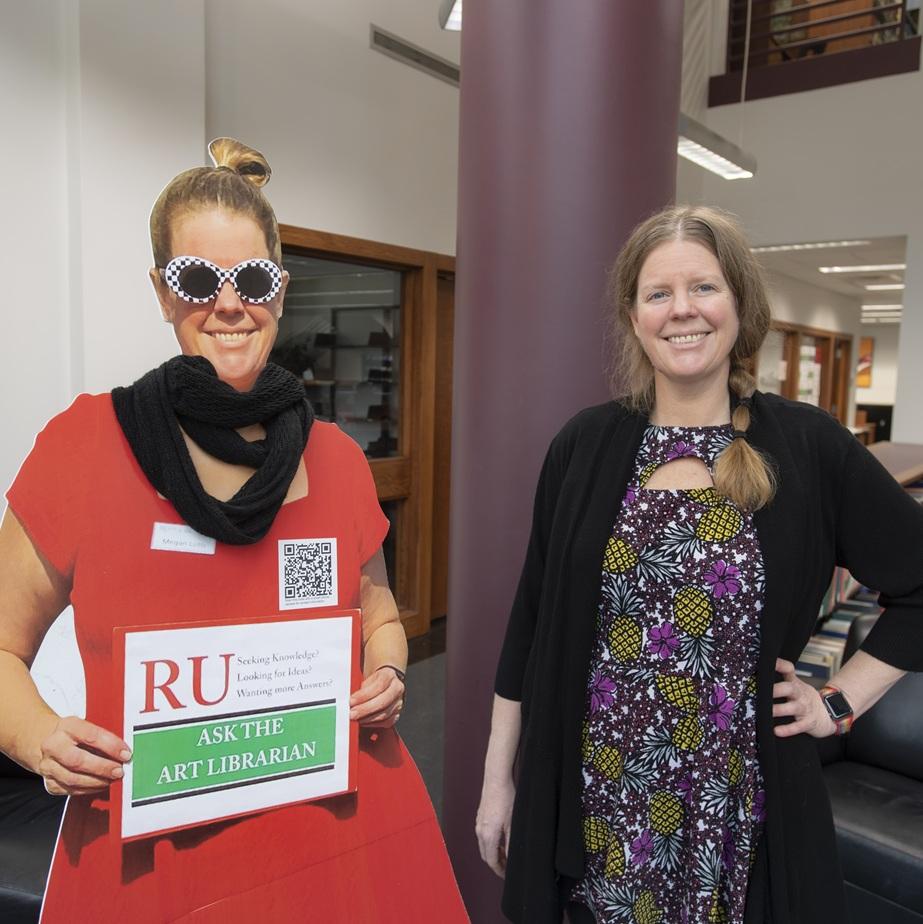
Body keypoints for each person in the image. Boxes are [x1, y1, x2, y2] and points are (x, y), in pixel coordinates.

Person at [0, 138, 466, 922]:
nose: (228, 304)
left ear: (279, 290)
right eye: (196, 279)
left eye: (252, 279)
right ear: (161, 291)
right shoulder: (84, 449)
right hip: (159, 856)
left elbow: (378, 613)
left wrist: (387, 670)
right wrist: (36, 736)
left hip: (346, 833)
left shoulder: (336, 459)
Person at [475, 205, 923, 923]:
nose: (682, 310)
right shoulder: (584, 446)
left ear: (739, 305)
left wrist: (836, 703)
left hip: (740, 809)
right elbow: (530, 624)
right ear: (634, 316)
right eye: (659, 293)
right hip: (600, 802)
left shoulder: (808, 446)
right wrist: (498, 781)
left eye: (704, 287)